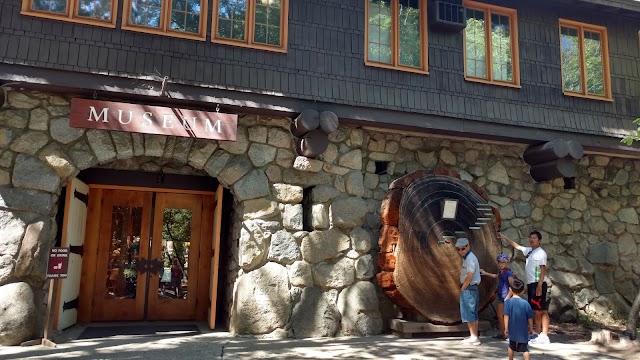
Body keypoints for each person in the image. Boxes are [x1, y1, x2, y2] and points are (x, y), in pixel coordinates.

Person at [501, 231, 550, 344]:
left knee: (542, 310)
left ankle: (545, 335)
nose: (532, 239)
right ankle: (537, 334)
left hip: (538, 283)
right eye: (530, 237)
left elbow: (543, 269)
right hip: (531, 284)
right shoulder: (529, 251)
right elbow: (517, 246)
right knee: (535, 310)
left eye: (534, 238)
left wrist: (539, 285)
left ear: (539, 241)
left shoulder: (541, 253)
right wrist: (504, 237)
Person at [480, 253, 514, 339]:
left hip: (506, 297)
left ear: (506, 263)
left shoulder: (508, 273)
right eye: (500, 262)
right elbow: (496, 276)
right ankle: (502, 333)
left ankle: (507, 333)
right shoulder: (501, 272)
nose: (501, 264)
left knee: (506, 316)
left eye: (503, 262)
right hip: (501, 296)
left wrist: (508, 297)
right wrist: (485, 273)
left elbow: (512, 286)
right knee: (500, 315)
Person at [456, 237, 482, 346]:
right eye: (459, 249)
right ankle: (474, 336)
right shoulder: (468, 257)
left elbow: (470, 275)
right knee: (472, 312)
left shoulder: (470, 258)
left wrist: (463, 287)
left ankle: (474, 337)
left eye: (463, 248)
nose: (461, 251)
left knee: (469, 312)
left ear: (468, 246)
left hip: (469, 287)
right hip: (471, 287)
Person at [504, 278, 534, 360]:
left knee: (511, 346)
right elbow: (530, 317)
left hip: (512, 329)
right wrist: (531, 328)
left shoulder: (508, 302)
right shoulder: (525, 303)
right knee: (525, 349)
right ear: (523, 290)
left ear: (510, 289)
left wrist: (506, 327)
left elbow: (506, 316)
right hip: (523, 331)